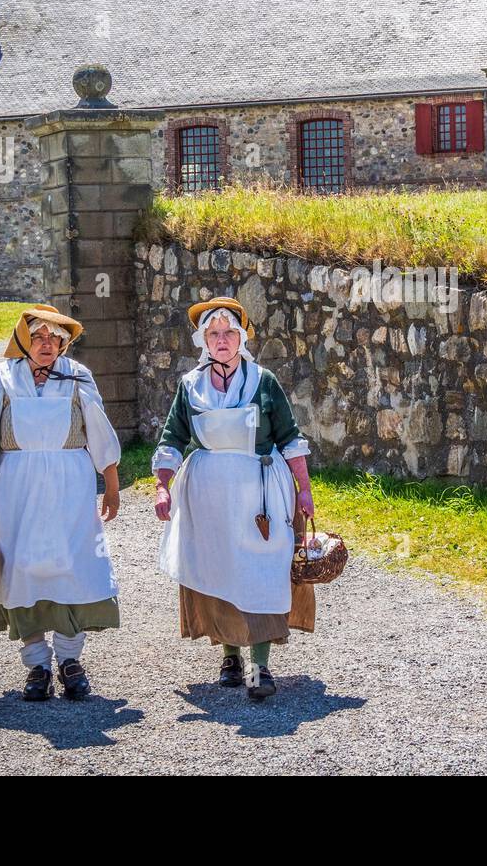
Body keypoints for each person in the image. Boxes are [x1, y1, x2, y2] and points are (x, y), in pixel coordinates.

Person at [0, 305, 122, 702]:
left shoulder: (78, 377)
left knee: (70, 565)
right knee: (21, 569)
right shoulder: (3, 377)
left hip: (70, 485)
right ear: (24, 340)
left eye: (55, 338)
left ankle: (70, 661)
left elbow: (98, 430)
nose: (47, 345)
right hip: (14, 489)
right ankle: (37, 664)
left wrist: (110, 487)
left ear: (63, 343)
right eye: (39, 337)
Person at [152, 296, 316, 701]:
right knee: (219, 569)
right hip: (207, 494)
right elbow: (172, 438)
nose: (222, 340)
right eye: (214, 333)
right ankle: (230, 657)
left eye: (229, 333)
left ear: (240, 338)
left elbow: (291, 439)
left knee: (262, 571)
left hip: (260, 492)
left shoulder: (263, 381)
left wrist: (305, 489)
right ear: (203, 341)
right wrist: (162, 485)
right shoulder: (190, 387)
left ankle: (260, 666)